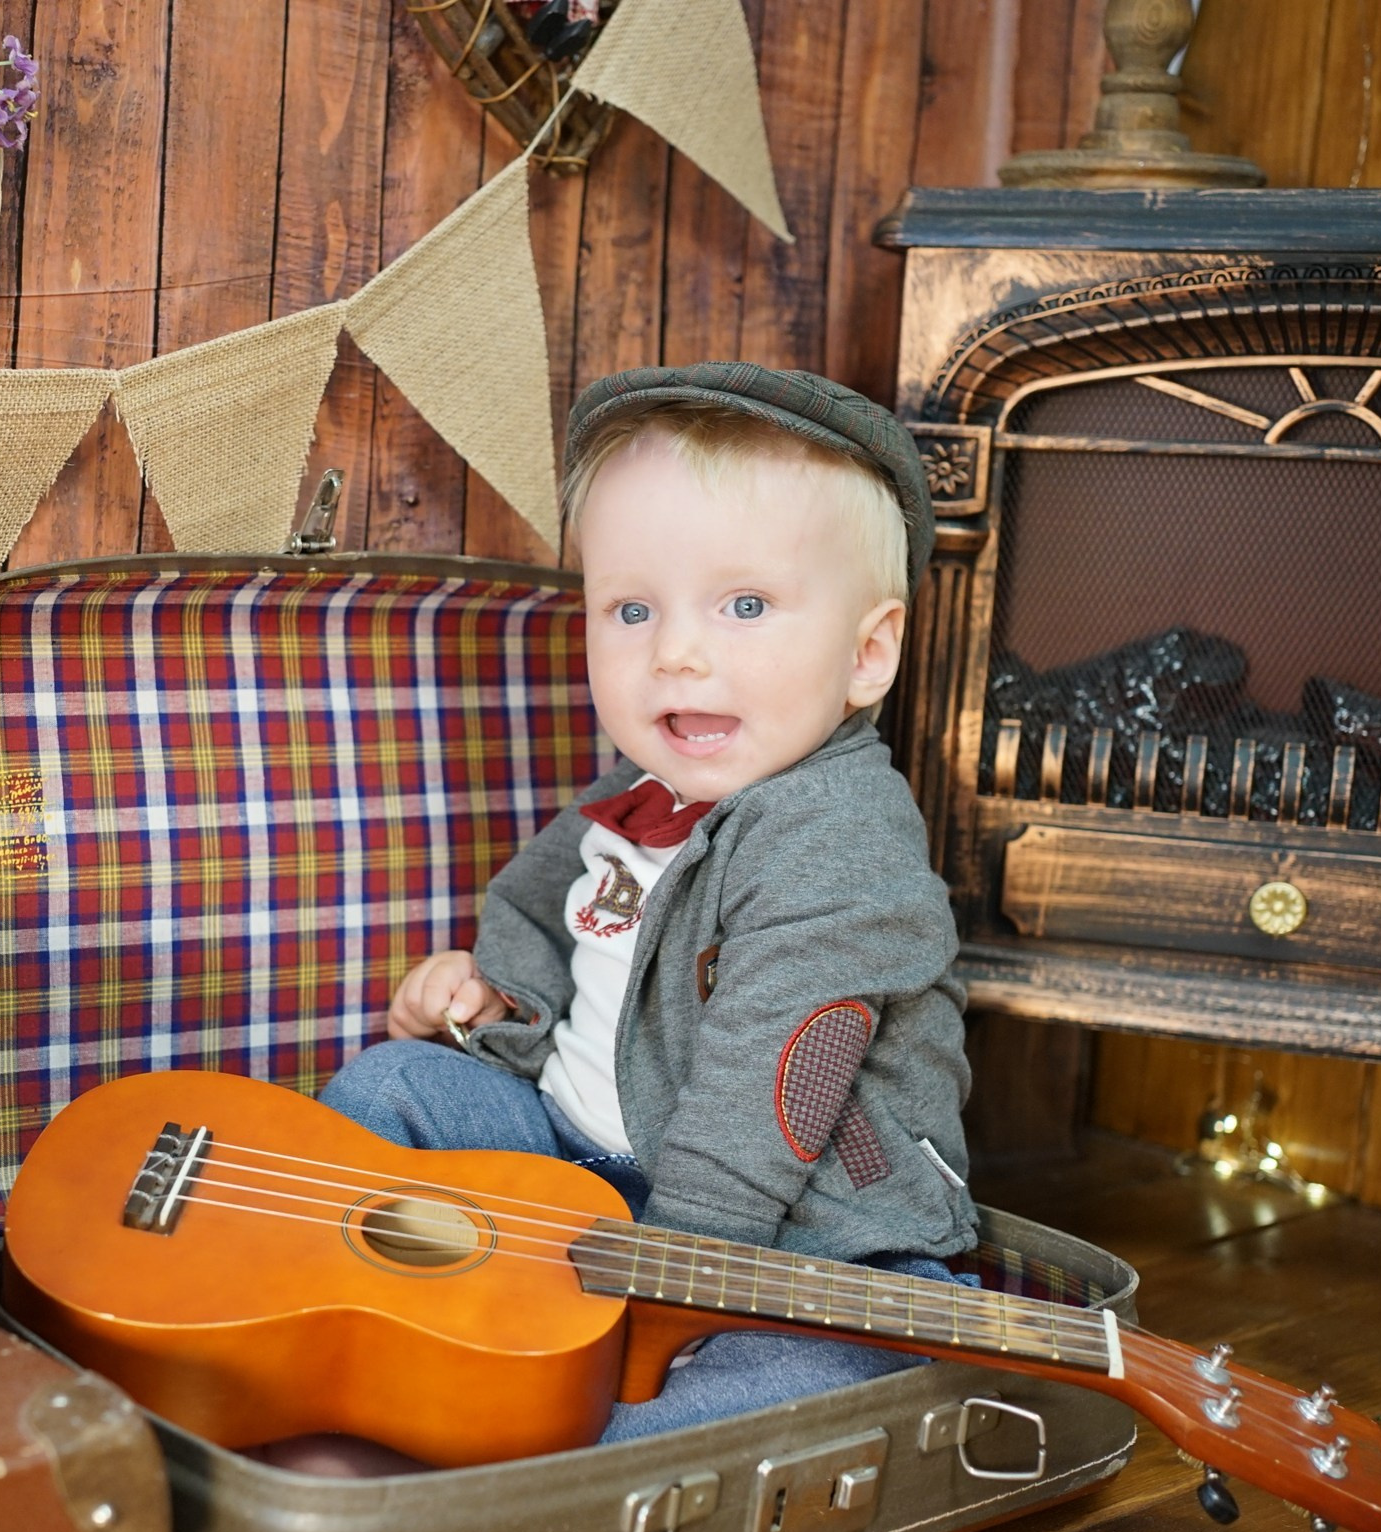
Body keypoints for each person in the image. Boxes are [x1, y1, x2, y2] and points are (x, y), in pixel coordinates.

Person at [319, 363, 980, 1444]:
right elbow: (540, 921)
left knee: (783, 1380)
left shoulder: (835, 832)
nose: (674, 651)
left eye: (746, 605)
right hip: (582, 1164)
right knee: (392, 1087)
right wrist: (486, 1000)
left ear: (867, 655)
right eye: (630, 609)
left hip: (791, 1233)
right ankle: (351, 1318)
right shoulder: (636, 796)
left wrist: (656, 1283)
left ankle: (557, 1453)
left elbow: (778, 1072)